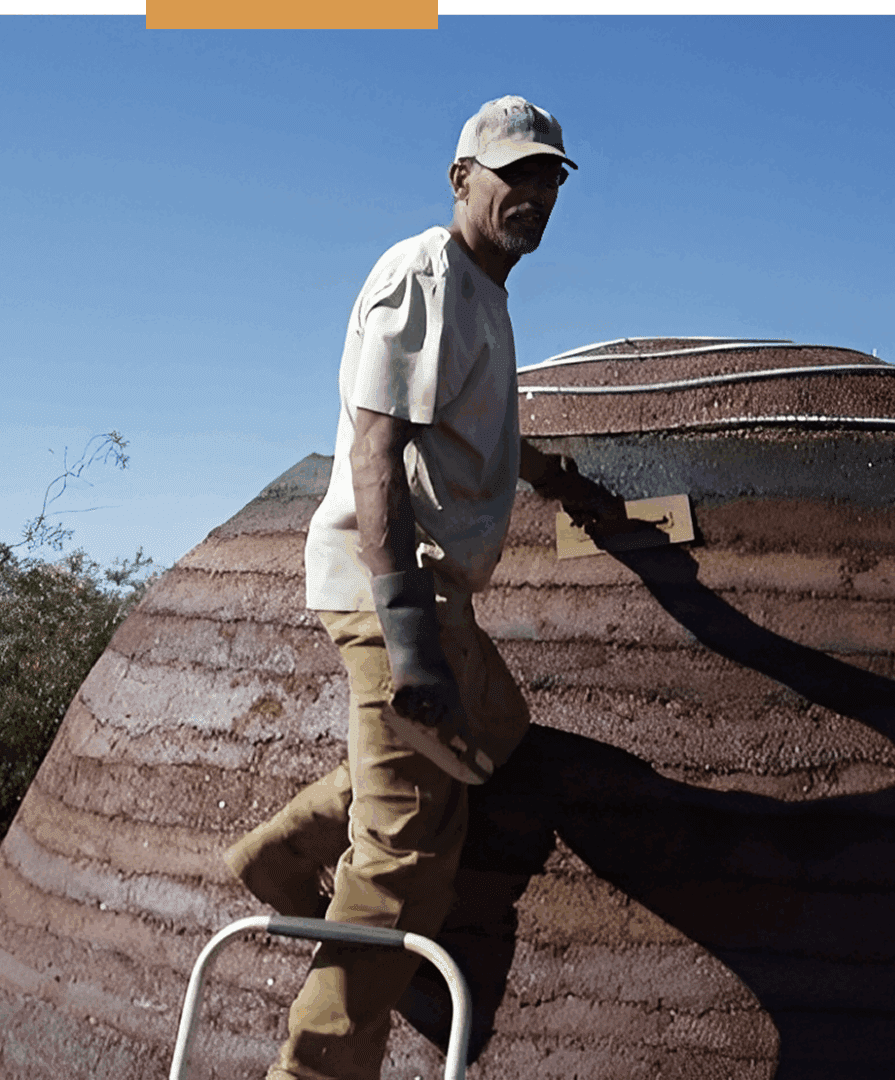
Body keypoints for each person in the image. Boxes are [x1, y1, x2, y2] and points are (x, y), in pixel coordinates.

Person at [224, 94, 623, 1080]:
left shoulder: (485, 294)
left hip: (428, 592)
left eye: (547, 179)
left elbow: (466, 425)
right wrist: (407, 636)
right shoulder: (423, 273)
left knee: (494, 734)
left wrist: (549, 476)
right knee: (405, 858)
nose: (533, 193)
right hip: (394, 587)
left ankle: (278, 856)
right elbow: (374, 443)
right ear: (460, 180)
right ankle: (314, 1068)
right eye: (513, 173)